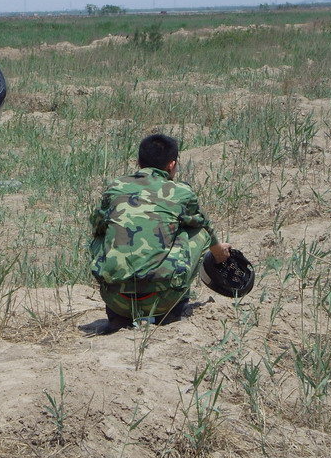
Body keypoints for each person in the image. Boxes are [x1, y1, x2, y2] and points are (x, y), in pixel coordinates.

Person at [89, 133, 232, 334]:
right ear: (172, 165)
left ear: (138, 162)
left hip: (116, 299)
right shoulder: (181, 192)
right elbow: (203, 226)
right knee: (198, 231)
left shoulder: (116, 187)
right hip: (162, 301)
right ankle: (174, 310)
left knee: (101, 236)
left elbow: (97, 227)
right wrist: (219, 253)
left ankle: (118, 317)